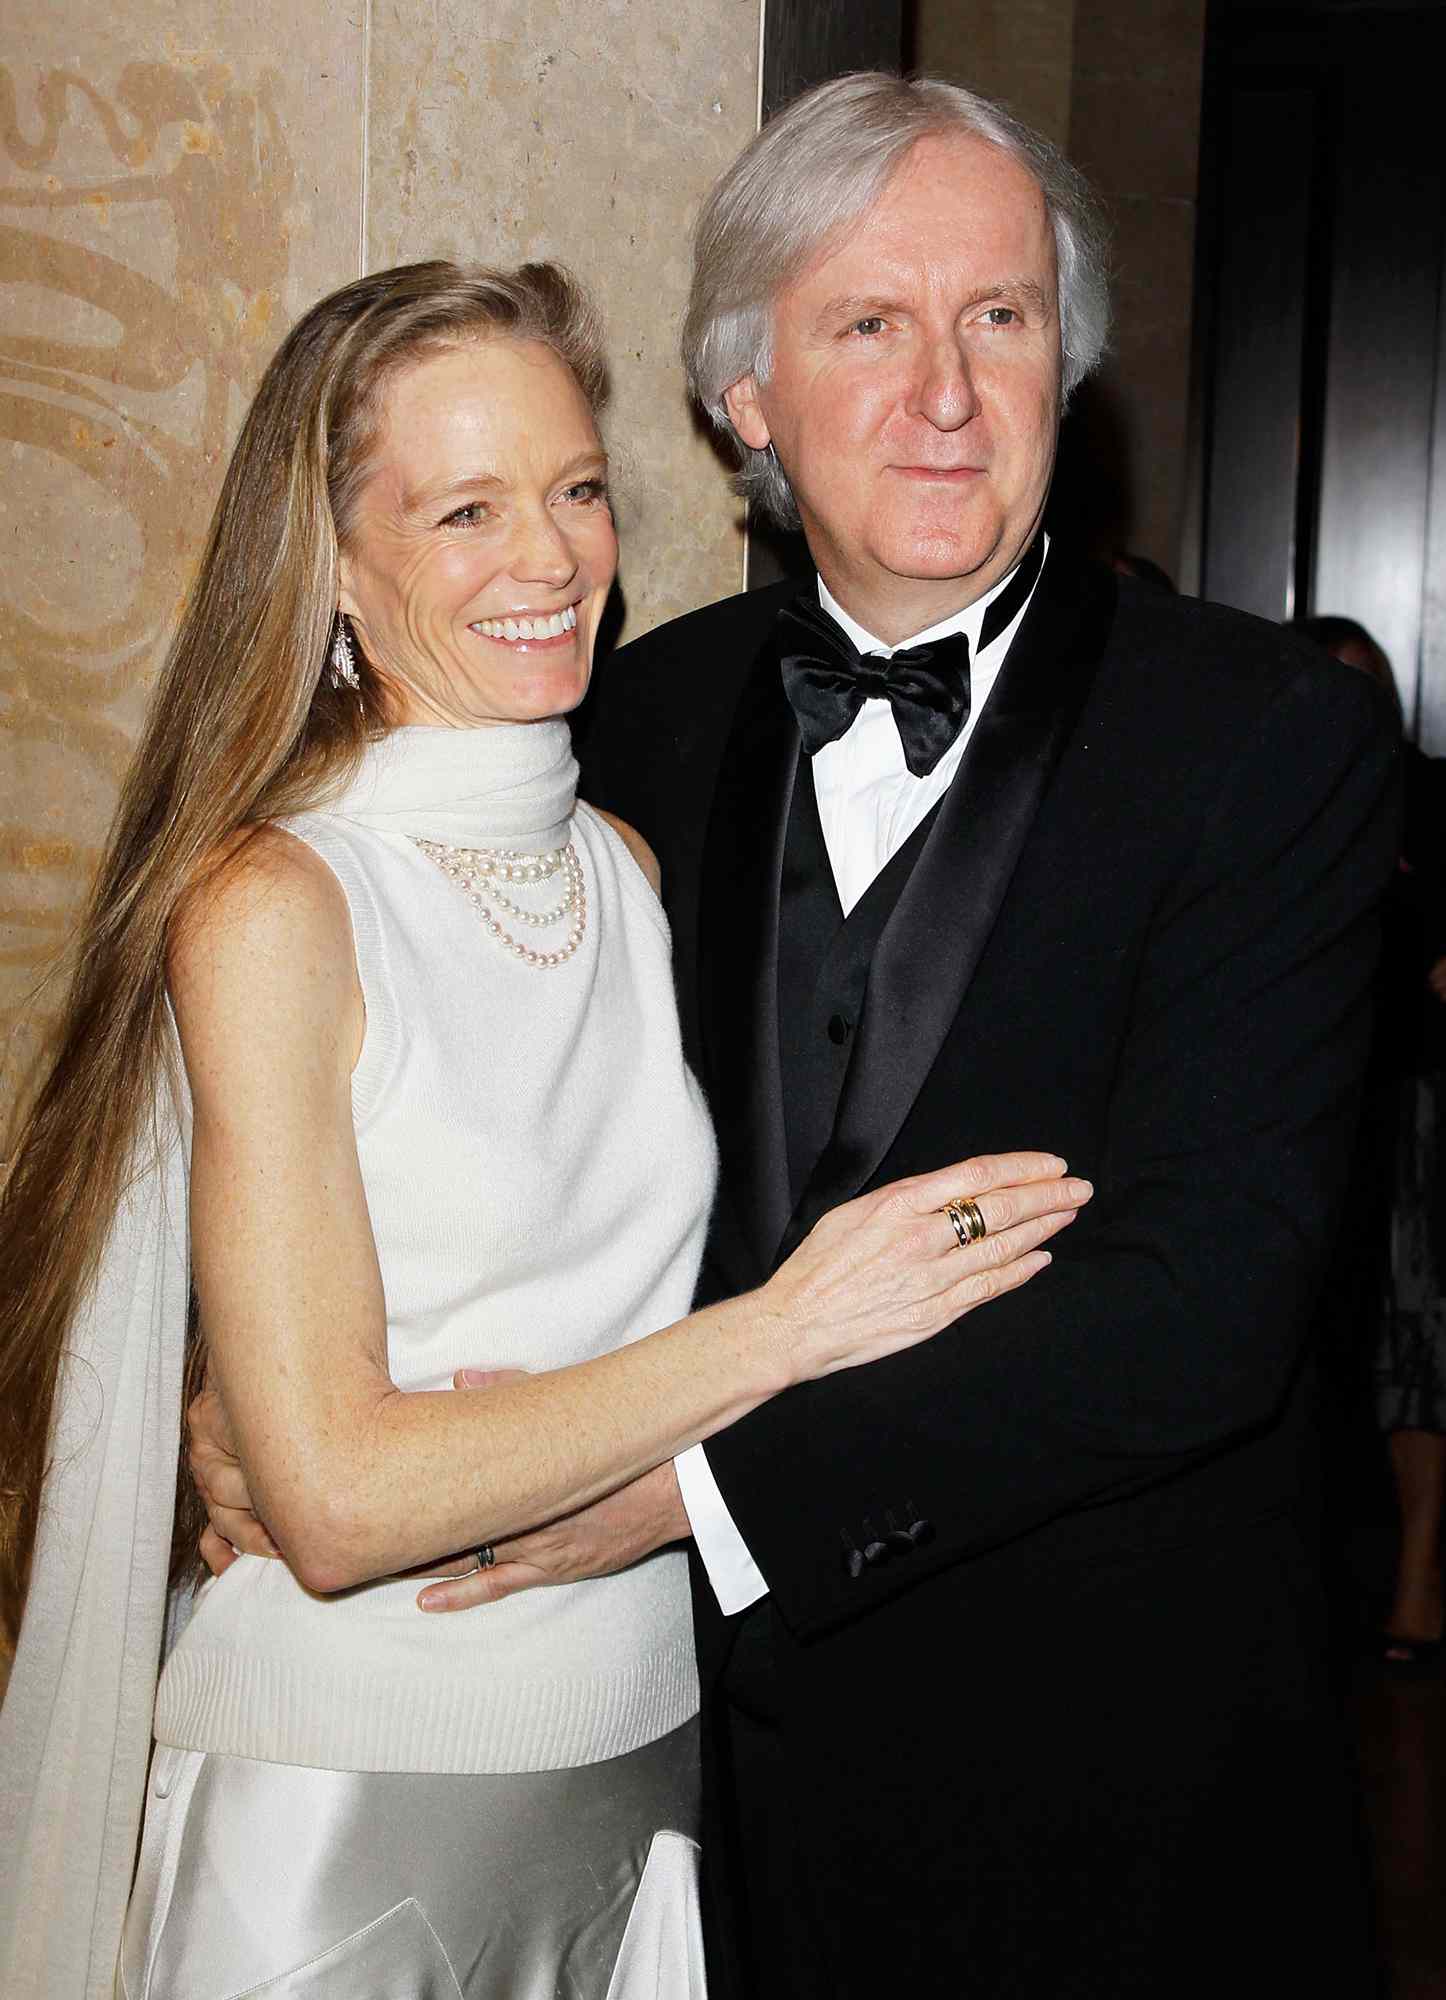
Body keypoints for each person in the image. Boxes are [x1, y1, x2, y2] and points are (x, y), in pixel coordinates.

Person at [191, 76, 1398, 1997]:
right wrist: (253, 1405)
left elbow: (1210, 1302)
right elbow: (446, 1132)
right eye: (865, 324)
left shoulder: (1268, 738)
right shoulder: (619, 725)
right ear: (742, 396)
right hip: (698, 1817)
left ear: (1064, 371)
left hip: (1120, 1820)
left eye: (997, 320)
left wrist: (691, 1501)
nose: (943, 390)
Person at [0, 258, 1087, 2000]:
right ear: (335, 568)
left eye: (577, 490)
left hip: (645, 1778)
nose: (551, 557)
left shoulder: (626, 866)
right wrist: (791, 1326)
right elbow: (339, 1501)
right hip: (351, 1811)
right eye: (464, 510)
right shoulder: (278, 906)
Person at [1293, 613, 1446, 1668]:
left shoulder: (1425, 802)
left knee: (1415, 1354)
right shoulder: (1257, 799)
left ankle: (1416, 1591)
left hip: (1415, 1111)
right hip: (1308, 1123)